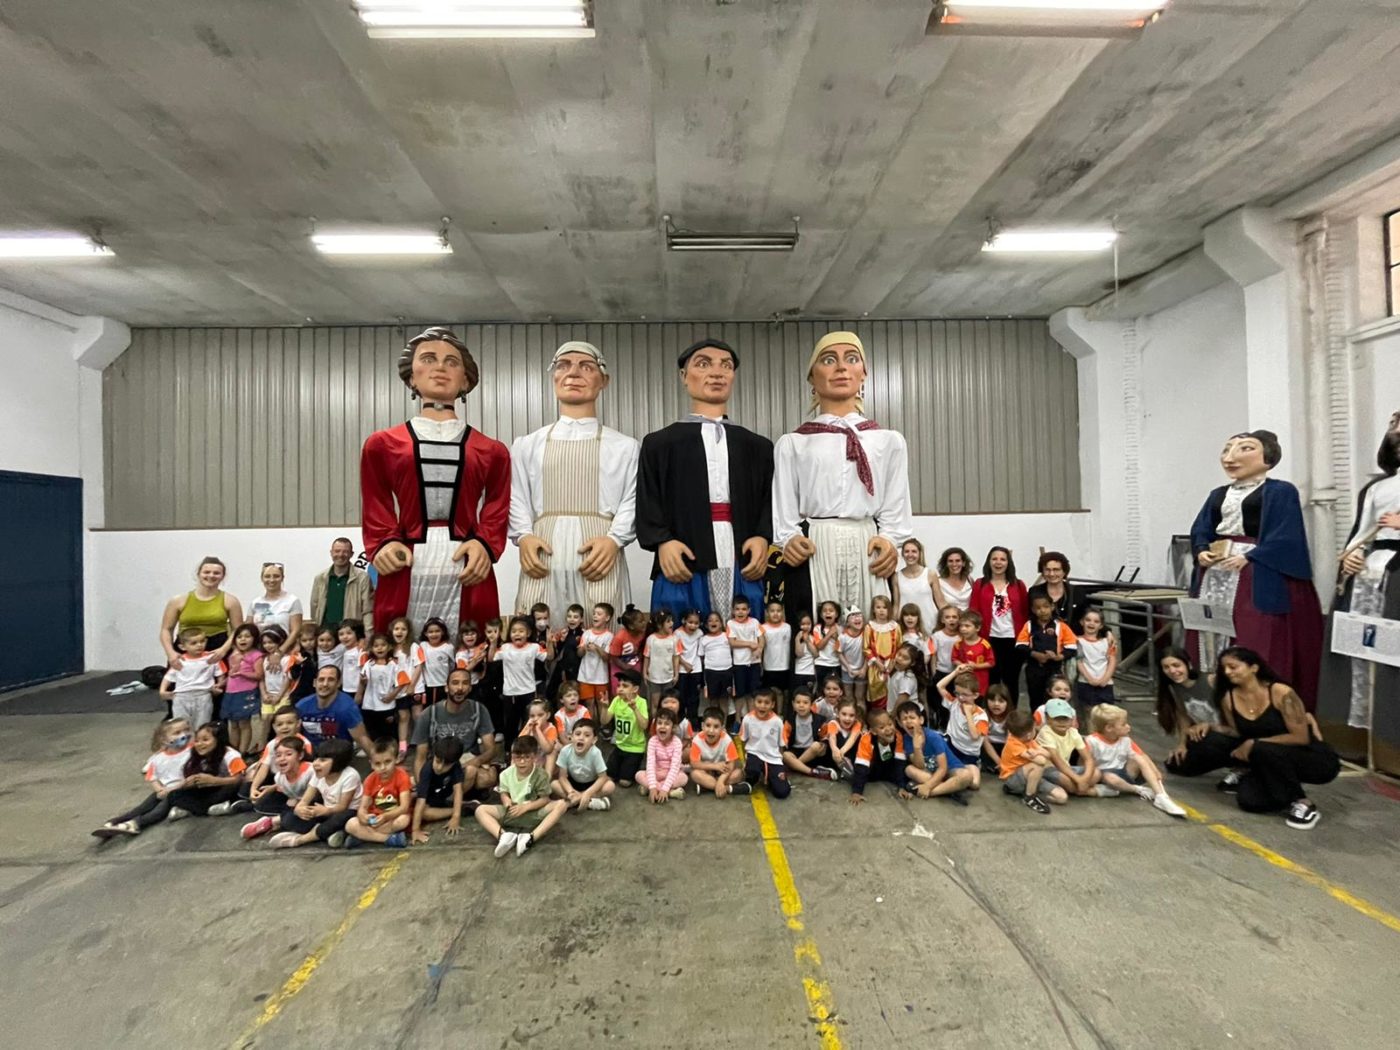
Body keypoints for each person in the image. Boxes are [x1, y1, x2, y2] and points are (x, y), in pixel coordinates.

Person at [361, 326, 510, 637]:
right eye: (428, 359)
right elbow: (376, 501)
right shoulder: (382, 445)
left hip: (468, 560)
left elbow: (498, 505)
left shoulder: (492, 451)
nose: (440, 367)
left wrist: (485, 544)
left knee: (472, 645)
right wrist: (384, 542)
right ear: (411, 377)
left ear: (465, 380)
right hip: (407, 559)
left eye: (451, 362)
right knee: (400, 646)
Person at [773, 331, 915, 614]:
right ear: (812, 378)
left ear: (864, 374)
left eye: (851, 359)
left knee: (872, 626)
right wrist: (789, 539)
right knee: (817, 624)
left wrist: (890, 540)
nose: (841, 367)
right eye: (828, 360)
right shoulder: (794, 443)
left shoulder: (888, 441)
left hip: (868, 543)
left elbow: (896, 504)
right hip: (816, 545)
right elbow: (784, 507)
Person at [637, 337, 772, 622]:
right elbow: (648, 500)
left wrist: (763, 536)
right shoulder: (659, 444)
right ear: (684, 376)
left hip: (741, 551)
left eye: (726, 365)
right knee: (682, 627)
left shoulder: (757, 446)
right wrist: (662, 542)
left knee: (746, 626)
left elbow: (769, 499)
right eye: (703, 364)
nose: (717, 372)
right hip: (685, 552)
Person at [1189, 430, 1324, 708]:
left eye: (1245, 448)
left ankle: (1258, 706)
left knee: (1253, 635)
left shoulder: (1280, 491)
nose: (1230, 457)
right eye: (1227, 449)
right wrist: (1201, 548)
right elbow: (1202, 527)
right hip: (1216, 573)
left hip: (1256, 574)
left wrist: (1253, 556)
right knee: (1212, 631)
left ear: (1268, 457)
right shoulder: (1218, 494)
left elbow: (1286, 534)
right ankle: (1217, 702)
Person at [511, 340, 639, 628]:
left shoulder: (625, 447)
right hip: (543, 552)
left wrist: (614, 539)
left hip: (599, 554)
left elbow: (633, 499)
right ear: (554, 376)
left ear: (603, 380)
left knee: (601, 630)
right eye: (564, 365)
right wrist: (524, 536)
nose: (573, 373)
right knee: (538, 632)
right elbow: (515, 496)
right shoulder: (526, 445)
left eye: (586, 366)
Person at [1165, 647, 1340, 829]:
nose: (1227, 672)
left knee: (1262, 749)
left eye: (1233, 667)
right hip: (1264, 757)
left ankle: (1303, 802)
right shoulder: (1229, 697)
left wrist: (1255, 743)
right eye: (1224, 668)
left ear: (1254, 668)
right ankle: (1269, 782)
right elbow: (1236, 732)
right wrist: (1210, 726)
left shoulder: (1280, 692)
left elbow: (1301, 737)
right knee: (1249, 801)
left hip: (1307, 756)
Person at [1318, 410, 1400, 769]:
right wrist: (1351, 554)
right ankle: (1361, 739)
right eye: (1395, 427)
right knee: (1362, 651)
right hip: (1369, 572)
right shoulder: (1377, 487)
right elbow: (1363, 530)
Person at [93, 718, 193, 838]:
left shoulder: (193, 752)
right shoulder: (158, 758)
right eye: (177, 733)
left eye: (187, 730)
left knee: (159, 810)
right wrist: (159, 790)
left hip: (183, 790)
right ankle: (116, 821)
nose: (184, 735)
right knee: (144, 806)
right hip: (165, 790)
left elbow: (192, 777)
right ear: (164, 739)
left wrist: (170, 790)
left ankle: (136, 823)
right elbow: (153, 777)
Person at [474, 735, 568, 858]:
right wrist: (506, 801)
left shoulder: (541, 775)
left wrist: (526, 807)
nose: (522, 762)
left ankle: (531, 837)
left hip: (534, 812)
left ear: (534, 757)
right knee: (480, 810)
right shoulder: (505, 774)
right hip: (512, 812)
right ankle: (503, 836)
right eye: (518, 757)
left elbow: (545, 799)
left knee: (561, 804)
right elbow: (504, 793)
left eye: (527, 757)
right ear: (512, 757)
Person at [1085, 704, 1185, 817]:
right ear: (1109, 728)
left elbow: (1142, 756)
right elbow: (1085, 763)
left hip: (1123, 773)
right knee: (1110, 777)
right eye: (1123, 724)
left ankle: (1161, 795)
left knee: (1139, 759)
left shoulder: (1125, 740)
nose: (1128, 726)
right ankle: (1136, 789)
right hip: (1104, 776)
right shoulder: (1092, 741)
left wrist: (1155, 771)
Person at [410, 668, 498, 796]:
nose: (460, 688)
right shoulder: (429, 714)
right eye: (455, 683)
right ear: (446, 688)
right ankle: (455, 794)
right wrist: (422, 789)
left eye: (465, 683)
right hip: (440, 761)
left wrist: (473, 763)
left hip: (468, 759)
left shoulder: (479, 710)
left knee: (487, 778)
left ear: (470, 688)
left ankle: (450, 798)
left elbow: (491, 749)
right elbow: (420, 757)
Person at [266, 739, 363, 849]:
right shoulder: (318, 775)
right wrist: (300, 809)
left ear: (338, 761)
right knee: (289, 819)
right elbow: (305, 799)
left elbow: (342, 807)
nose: (316, 763)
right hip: (325, 812)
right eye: (316, 758)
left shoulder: (350, 776)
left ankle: (301, 840)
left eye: (322, 760)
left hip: (347, 813)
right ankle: (331, 833)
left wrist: (327, 811)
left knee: (341, 819)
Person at [970, 547, 1028, 706]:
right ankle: (990, 714)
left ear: (1008, 562)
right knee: (991, 680)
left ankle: (1012, 714)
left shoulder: (1018, 585)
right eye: (994, 559)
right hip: (989, 640)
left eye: (1002, 559)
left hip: (1013, 640)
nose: (998, 562)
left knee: (1011, 680)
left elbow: (1025, 612)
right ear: (989, 562)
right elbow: (973, 611)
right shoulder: (980, 584)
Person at [158, 556, 243, 664]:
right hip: (185, 651)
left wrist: (224, 650)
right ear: (198, 574)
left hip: (217, 651)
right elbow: (166, 629)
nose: (211, 576)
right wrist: (170, 653)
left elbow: (238, 630)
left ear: (222, 576)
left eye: (216, 573)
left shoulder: (231, 601)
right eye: (206, 572)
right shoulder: (178, 601)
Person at [894, 701, 975, 803]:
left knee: (966, 776)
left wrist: (928, 786)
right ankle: (950, 788)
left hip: (949, 770)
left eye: (912, 717)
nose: (908, 721)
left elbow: (943, 768)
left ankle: (929, 791)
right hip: (930, 773)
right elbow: (919, 766)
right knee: (909, 770)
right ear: (900, 723)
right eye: (904, 719)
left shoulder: (933, 737)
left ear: (921, 720)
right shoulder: (906, 739)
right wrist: (917, 747)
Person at [1155, 647, 1220, 769]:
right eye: (1166, 667)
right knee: (1175, 763)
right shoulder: (1174, 688)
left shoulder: (1211, 681)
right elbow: (1183, 715)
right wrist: (1182, 744)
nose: (1172, 670)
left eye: (1176, 665)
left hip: (1224, 732)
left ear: (1188, 664)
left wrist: (1210, 725)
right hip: (1202, 734)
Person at [166, 723, 247, 818]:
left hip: (224, 787)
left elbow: (239, 779)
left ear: (218, 740)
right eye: (197, 741)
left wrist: (214, 781)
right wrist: (189, 782)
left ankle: (196, 809)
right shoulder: (196, 754)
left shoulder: (231, 755)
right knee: (173, 795)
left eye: (205, 740)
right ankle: (211, 808)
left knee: (235, 788)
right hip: (207, 790)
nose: (200, 744)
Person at [241, 736, 316, 837]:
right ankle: (273, 822)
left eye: (288, 754)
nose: (282, 758)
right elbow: (290, 796)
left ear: (300, 755)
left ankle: (274, 822)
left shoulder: (311, 771)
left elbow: (318, 794)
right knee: (263, 805)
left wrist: (298, 803)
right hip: (298, 805)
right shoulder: (279, 778)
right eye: (278, 755)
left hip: (319, 803)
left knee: (292, 820)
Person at [344, 739, 412, 848]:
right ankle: (388, 839)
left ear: (397, 759)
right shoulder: (369, 780)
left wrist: (385, 817)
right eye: (377, 764)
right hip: (374, 819)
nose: (383, 768)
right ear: (371, 764)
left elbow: (404, 807)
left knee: (403, 820)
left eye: (387, 762)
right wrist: (363, 816)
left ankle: (362, 836)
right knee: (350, 824)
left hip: (392, 817)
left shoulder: (402, 776)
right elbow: (362, 807)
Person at [494, 615, 552, 742]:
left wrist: (550, 642)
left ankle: (529, 748)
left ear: (528, 633)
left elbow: (549, 657)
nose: (517, 634)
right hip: (510, 693)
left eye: (521, 631)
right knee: (511, 725)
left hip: (528, 691)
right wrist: (494, 641)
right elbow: (490, 658)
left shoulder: (534, 647)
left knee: (529, 723)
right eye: (514, 631)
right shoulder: (505, 647)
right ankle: (509, 750)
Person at [1015, 593, 1078, 708]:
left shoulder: (1061, 626)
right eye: (1038, 608)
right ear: (1033, 610)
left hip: (1054, 669)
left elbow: (1072, 647)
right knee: (1035, 699)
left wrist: (1059, 657)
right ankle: (1037, 718)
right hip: (1034, 669)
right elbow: (1020, 645)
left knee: (1054, 698)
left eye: (1046, 606)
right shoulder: (1029, 625)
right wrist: (1035, 654)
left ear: (1052, 607)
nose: (1042, 610)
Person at [295, 665, 374, 754]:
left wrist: (378, 760)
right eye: (321, 679)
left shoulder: (347, 708)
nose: (325, 684)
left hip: (338, 756)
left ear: (338, 683)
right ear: (314, 683)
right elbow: (291, 735)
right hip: (310, 755)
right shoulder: (302, 706)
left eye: (331, 680)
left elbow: (362, 738)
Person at [998, 709, 1065, 814]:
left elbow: (1048, 754)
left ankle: (1029, 792)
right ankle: (1029, 797)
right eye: (1034, 728)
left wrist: (1037, 752)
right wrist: (1040, 753)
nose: (1036, 730)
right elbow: (1041, 761)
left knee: (1062, 797)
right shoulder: (1013, 744)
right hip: (1013, 779)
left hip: (1031, 777)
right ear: (1029, 734)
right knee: (1036, 765)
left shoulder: (1030, 741)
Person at [160, 629, 227, 730]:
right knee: (181, 726)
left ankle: (199, 740)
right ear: (182, 647)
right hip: (182, 697)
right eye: (194, 643)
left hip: (203, 695)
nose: (199, 645)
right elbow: (168, 677)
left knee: (202, 726)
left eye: (202, 641)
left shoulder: (212, 658)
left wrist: (219, 686)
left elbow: (221, 675)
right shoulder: (180, 660)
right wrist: (162, 691)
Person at [1036, 698, 1100, 798]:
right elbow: (1057, 761)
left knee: (1097, 773)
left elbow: (1088, 758)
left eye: (1065, 718)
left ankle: (1078, 789)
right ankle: (1088, 791)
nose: (1062, 722)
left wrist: (1084, 778)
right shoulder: (1045, 733)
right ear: (1048, 718)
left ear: (1071, 719)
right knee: (1066, 781)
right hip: (1048, 769)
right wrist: (1079, 780)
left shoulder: (1073, 732)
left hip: (1066, 767)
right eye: (1057, 718)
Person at [310, 537, 375, 635]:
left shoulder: (362, 578)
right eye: (337, 551)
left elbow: (368, 610)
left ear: (351, 554)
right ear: (331, 553)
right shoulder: (320, 578)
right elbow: (314, 606)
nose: (340, 555)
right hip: (326, 634)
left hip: (351, 634)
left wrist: (368, 636)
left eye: (345, 552)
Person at [410, 736, 467, 842]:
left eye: (446, 765)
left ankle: (458, 808)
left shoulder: (456, 766)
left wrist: (456, 817)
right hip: (430, 796)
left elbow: (458, 790)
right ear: (434, 755)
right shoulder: (427, 770)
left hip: (445, 793)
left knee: (470, 773)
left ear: (454, 762)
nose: (440, 767)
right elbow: (421, 801)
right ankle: (463, 808)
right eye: (437, 761)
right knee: (422, 812)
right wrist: (415, 830)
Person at [935, 669, 989, 775]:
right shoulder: (954, 703)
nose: (960, 697)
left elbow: (975, 736)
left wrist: (968, 713)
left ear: (975, 695)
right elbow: (939, 686)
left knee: (974, 780)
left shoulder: (981, 716)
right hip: (951, 746)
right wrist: (955, 672)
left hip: (969, 754)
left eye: (965, 694)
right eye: (957, 693)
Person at [739, 688, 790, 799]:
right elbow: (743, 740)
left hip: (773, 758)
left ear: (772, 705)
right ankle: (756, 775)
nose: (762, 706)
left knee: (782, 792)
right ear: (754, 702)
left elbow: (781, 745)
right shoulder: (748, 719)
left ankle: (772, 777)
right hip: (754, 755)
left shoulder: (777, 722)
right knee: (751, 773)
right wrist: (745, 760)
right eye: (759, 702)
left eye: (767, 703)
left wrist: (780, 763)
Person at [553, 720, 615, 811]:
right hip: (573, 784)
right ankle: (591, 803)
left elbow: (602, 777)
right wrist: (571, 792)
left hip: (591, 784)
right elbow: (562, 777)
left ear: (594, 740)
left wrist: (587, 793)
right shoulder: (565, 751)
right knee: (554, 784)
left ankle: (574, 801)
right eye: (577, 734)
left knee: (610, 786)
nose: (581, 738)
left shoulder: (595, 753)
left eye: (587, 735)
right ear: (571, 736)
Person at [601, 670, 649, 786]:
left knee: (624, 782)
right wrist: (604, 707)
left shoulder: (641, 702)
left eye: (625, 686)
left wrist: (635, 709)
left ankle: (635, 767)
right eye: (619, 685)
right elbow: (604, 721)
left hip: (635, 748)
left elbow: (644, 726)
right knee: (608, 777)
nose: (620, 689)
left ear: (635, 689)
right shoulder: (616, 700)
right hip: (619, 746)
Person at [220, 625, 262, 756]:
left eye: (247, 636)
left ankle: (242, 752)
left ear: (254, 639)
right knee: (233, 724)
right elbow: (231, 674)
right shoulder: (233, 654)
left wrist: (242, 674)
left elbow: (259, 675)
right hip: (230, 693)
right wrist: (221, 684)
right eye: (239, 637)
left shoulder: (256, 655)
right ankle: (234, 752)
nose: (243, 639)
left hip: (246, 693)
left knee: (244, 724)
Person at [847, 709, 904, 804]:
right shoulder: (866, 739)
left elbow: (899, 763)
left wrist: (902, 786)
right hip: (870, 771)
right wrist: (857, 792)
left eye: (890, 724)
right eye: (882, 727)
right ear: (873, 731)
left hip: (888, 769)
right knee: (857, 773)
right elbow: (862, 766)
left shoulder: (898, 736)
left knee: (905, 770)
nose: (888, 729)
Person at [690, 707, 748, 797]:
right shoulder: (697, 740)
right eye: (708, 725)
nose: (711, 730)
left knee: (738, 774)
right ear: (702, 726)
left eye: (716, 727)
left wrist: (721, 780)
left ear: (722, 728)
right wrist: (715, 766)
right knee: (695, 774)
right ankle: (727, 788)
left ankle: (709, 786)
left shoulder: (727, 740)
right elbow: (694, 764)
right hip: (707, 771)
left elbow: (731, 765)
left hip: (723, 772)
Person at [246, 562, 303, 653]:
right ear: (262, 578)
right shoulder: (255, 603)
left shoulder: (292, 601)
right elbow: (248, 630)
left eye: (276, 576)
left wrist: (280, 652)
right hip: (260, 652)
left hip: (285, 651)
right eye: (267, 576)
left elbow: (295, 630)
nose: (272, 580)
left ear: (282, 578)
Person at [780, 688, 835, 779]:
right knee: (786, 755)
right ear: (793, 704)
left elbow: (824, 738)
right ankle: (813, 772)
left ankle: (794, 766)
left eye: (805, 703)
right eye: (798, 702)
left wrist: (823, 745)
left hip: (813, 753)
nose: (801, 705)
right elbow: (784, 739)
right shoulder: (789, 720)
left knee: (816, 745)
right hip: (796, 751)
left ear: (811, 705)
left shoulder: (820, 719)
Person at [1074, 609, 1117, 721]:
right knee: (1089, 715)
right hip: (1085, 683)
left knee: (1107, 716)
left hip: (1106, 684)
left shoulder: (1107, 642)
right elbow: (1079, 661)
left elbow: (1112, 660)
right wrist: (1090, 679)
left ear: (1101, 625)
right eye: (1088, 620)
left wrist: (1105, 679)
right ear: (1082, 622)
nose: (1091, 623)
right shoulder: (1077, 641)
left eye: (1096, 621)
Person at [638, 707, 689, 802]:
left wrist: (665, 789)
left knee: (684, 778)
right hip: (656, 772)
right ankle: (671, 793)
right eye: (659, 723)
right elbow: (650, 765)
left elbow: (674, 768)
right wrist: (652, 787)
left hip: (671, 773)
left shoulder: (677, 742)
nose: (662, 726)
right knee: (639, 775)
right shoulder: (652, 741)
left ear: (673, 728)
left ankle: (653, 790)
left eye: (667, 724)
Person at [727, 596, 762, 722]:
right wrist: (749, 644)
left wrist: (759, 649)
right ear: (733, 611)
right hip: (739, 663)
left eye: (743, 609)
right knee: (740, 694)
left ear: (749, 610)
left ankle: (752, 720)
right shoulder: (730, 624)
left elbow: (761, 638)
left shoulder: (755, 622)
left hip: (754, 663)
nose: (740, 612)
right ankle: (738, 720)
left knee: (752, 693)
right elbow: (732, 642)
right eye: (737, 609)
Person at [864, 595, 900, 710]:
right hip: (876, 666)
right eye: (878, 607)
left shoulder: (895, 627)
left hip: (892, 665)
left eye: (884, 607)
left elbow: (899, 647)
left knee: (891, 692)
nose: (881, 610)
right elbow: (866, 648)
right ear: (873, 610)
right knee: (876, 692)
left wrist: (892, 663)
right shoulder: (869, 627)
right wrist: (877, 662)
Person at [577, 603, 615, 710]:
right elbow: (579, 654)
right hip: (585, 676)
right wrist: (583, 648)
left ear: (607, 618)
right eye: (594, 613)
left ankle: (602, 722)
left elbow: (607, 658)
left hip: (601, 677)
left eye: (599, 614)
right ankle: (591, 721)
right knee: (589, 703)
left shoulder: (609, 636)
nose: (595, 616)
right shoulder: (586, 634)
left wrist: (597, 648)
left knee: (602, 703)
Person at [895, 539, 938, 632]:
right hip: (907, 626)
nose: (910, 554)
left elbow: (940, 602)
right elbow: (896, 605)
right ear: (902, 554)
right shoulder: (896, 576)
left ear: (919, 553)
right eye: (907, 551)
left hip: (930, 623)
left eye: (914, 551)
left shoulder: (930, 574)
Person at [951, 611, 994, 698]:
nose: (963, 629)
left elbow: (991, 662)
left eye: (967, 626)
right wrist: (962, 665)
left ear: (977, 628)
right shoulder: (958, 644)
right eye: (961, 626)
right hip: (963, 683)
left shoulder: (985, 645)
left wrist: (976, 666)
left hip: (980, 685)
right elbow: (954, 659)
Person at [823, 696, 864, 778]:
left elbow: (852, 739)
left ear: (856, 716)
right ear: (838, 714)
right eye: (844, 714)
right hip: (834, 754)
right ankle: (843, 766)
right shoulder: (833, 723)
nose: (847, 718)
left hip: (847, 752)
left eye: (851, 715)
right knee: (833, 739)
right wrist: (835, 750)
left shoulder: (857, 724)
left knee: (859, 736)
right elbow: (832, 738)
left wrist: (841, 753)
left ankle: (848, 765)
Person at [644, 609, 680, 699]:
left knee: (667, 699)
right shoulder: (651, 639)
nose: (672, 623)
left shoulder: (674, 639)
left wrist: (676, 674)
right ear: (659, 625)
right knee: (655, 702)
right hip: (654, 677)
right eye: (668, 621)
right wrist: (644, 673)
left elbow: (676, 657)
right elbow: (646, 657)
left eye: (672, 620)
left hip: (668, 677)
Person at [932, 546, 974, 612]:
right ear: (946, 564)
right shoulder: (939, 582)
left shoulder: (970, 580)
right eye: (950, 561)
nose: (954, 564)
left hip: (968, 617)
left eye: (958, 561)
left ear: (963, 563)